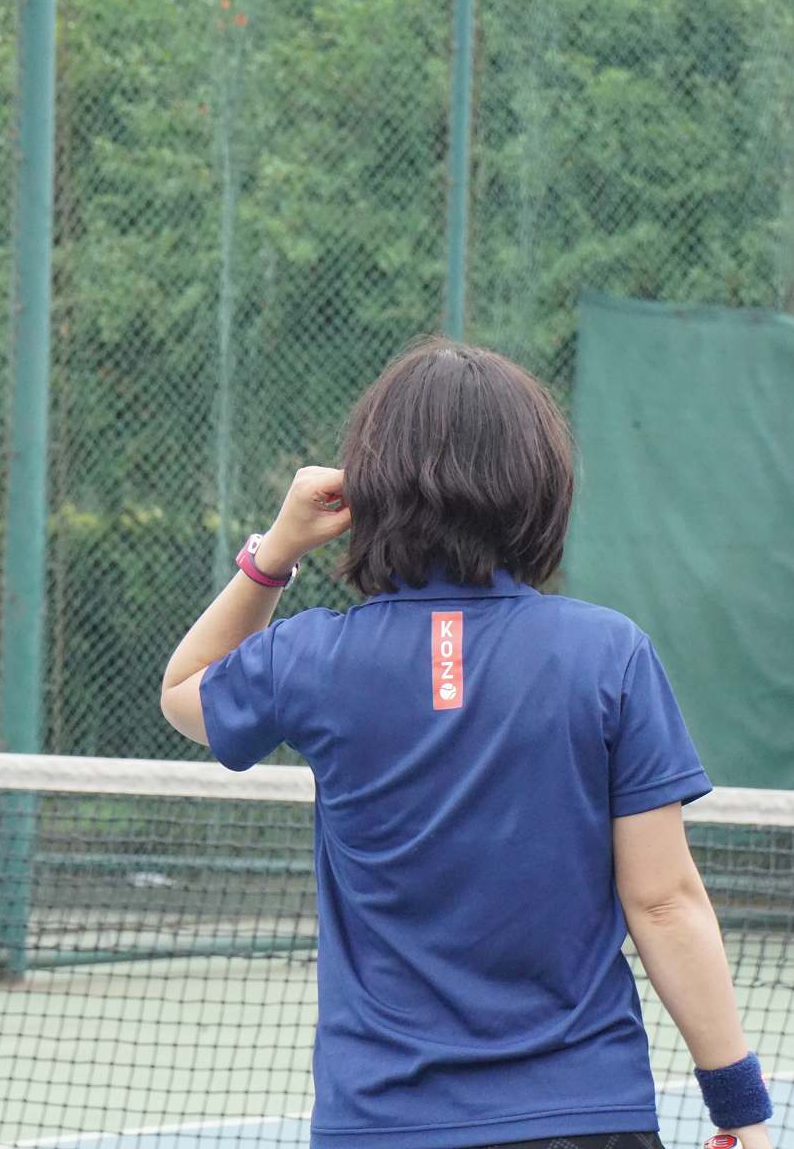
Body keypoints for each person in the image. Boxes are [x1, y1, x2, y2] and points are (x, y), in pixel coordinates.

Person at [161, 335, 774, 1149]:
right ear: (539, 488)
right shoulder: (608, 655)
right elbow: (662, 903)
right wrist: (739, 1107)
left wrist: (274, 551)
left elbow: (183, 692)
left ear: (367, 489)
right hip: (587, 1113)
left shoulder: (312, 658)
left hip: (381, 1124)